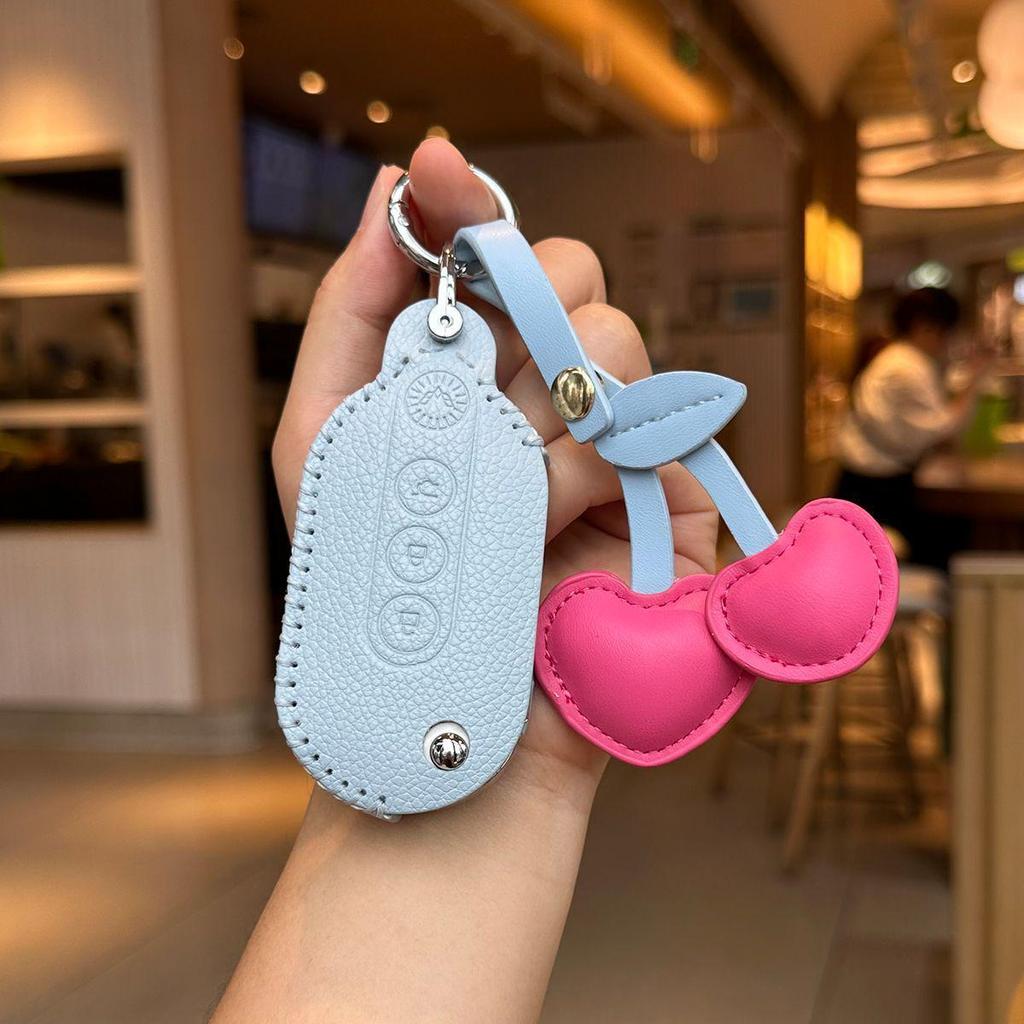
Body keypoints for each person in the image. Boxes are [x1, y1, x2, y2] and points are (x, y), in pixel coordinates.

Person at [211, 139, 718, 1022]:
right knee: (589, 339)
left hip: (487, 733)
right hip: (442, 735)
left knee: (590, 339)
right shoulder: (365, 433)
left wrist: (529, 779)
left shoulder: (395, 419)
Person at [835, 287, 989, 565]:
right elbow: (941, 428)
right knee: (943, 548)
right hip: (878, 489)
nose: (946, 341)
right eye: (945, 332)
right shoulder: (907, 367)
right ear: (925, 326)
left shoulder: (897, 359)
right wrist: (975, 380)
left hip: (865, 483)